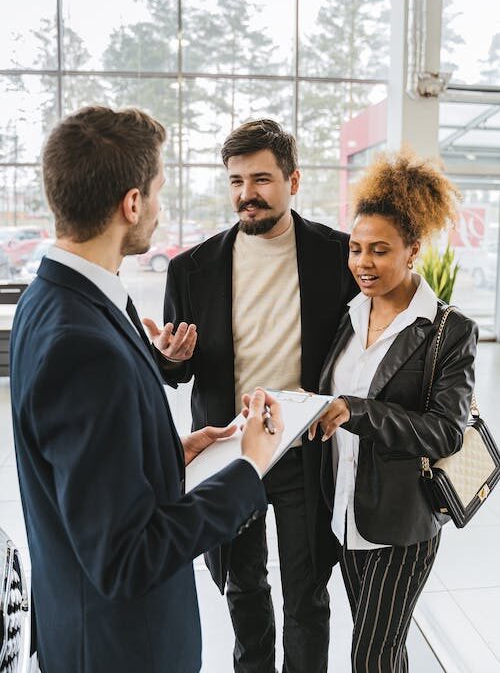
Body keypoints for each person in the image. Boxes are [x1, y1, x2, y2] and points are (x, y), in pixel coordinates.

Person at [9, 106, 285, 673]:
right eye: (158, 191)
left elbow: (84, 484)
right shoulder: (82, 345)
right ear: (131, 203)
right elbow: (127, 556)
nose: (160, 208)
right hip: (122, 648)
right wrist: (247, 469)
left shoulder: (51, 298)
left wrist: (167, 458)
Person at [157, 119, 357, 673]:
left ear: (293, 180)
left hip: (302, 449)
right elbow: (178, 370)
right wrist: (171, 359)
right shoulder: (190, 269)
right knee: (242, 588)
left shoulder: (337, 256)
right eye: (237, 180)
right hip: (231, 451)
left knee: (307, 593)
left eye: (262, 179)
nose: (247, 194)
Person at [309, 149, 478, 672]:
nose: (363, 262)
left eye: (379, 250)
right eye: (356, 249)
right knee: (380, 647)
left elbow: (447, 432)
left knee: (372, 654)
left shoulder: (451, 331)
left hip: (402, 524)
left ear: (413, 250)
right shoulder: (349, 313)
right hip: (341, 514)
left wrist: (355, 412)